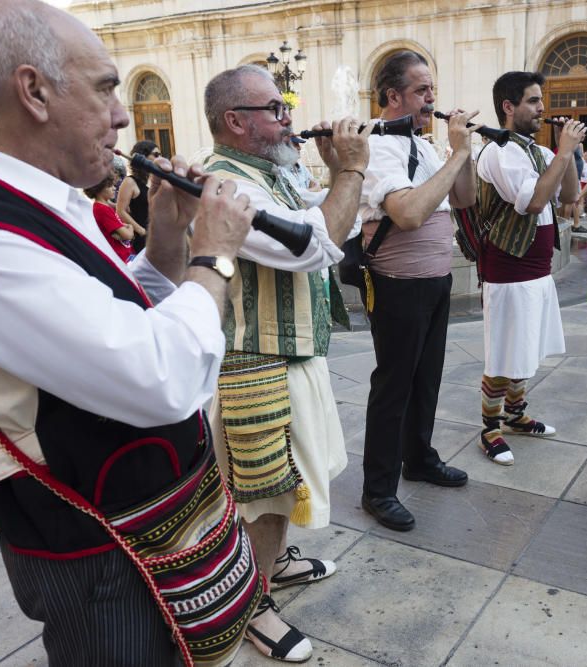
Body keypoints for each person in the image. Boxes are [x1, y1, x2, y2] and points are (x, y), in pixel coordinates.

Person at [0, 0, 278, 663]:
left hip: (144, 519)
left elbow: (120, 316)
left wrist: (170, 238)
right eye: (107, 87)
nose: (123, 115)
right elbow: (162, 377)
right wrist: (217, 255)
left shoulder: (42, 200)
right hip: (101, 556)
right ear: (33, 91)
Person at [202, 64, 371, 661]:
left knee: (292, 481)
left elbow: (323, 215)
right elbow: (319, 243)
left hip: (290, 355)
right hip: (256, 365)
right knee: (264, 496)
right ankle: (253, 604)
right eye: (275, 109)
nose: (289, 117)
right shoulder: (227, 184)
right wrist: (349, 166)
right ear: (235, 121)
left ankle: (269, 566)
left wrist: (332, 168)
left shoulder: (265, 171)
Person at [358, 50, 475, 531]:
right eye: (423, 90)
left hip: (434, 279)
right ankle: (378, 489)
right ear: (394, 96)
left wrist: (460, 155)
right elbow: (406, 213)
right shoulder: (378, 146)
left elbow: (463, 198)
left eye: (433, 90)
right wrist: (460, 154)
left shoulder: (425, 146)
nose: (433, 99)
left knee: (427, 378)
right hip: (397, 285)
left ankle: (419, 459)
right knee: (394, 385)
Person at [473, 71, 582, 464]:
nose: (542, 108)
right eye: (533, 101)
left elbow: (569, 195)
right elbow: (535, 202)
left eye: (540, 100)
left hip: (537, 266)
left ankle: (516, 415)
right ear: (508, 106)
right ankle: (490, 428)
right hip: (508, 268)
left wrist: (565, 151)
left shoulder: (536, 151)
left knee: (526, 345)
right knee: (504, 352)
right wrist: (564, 152)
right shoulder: (498, 152)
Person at [115, 139, 157, 253]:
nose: (159, 159)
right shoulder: (130, 182)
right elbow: (120, 210)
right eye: (156, 155)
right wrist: (141, 230)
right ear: (144, 156)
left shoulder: (154, 180)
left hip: (158, 236)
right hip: (143, 240)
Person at [84, 174, 133, 262]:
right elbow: (128, 235)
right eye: (110, 186)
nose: (114, 188)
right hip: (120, 258)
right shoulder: (102, 209)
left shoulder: (104, 205)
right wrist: (130, 227)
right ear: (99, 189)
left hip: (122, 256)